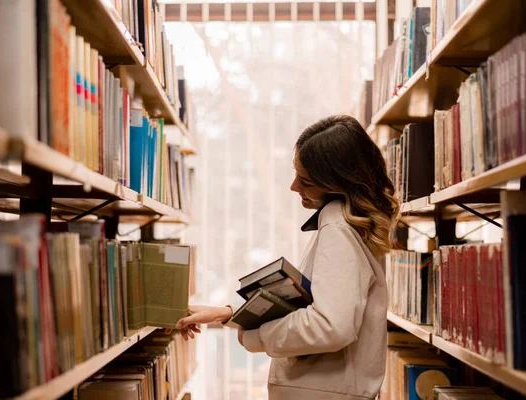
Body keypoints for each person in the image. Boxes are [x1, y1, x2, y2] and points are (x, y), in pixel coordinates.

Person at [168, 115, 400, 400]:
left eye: (305, 181)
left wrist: (254, 336)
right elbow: (321, 307)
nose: (293, 187)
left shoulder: (338, 231)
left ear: (337, 183)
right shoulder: (347, 225)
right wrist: (230, 314)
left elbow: (330, 326)